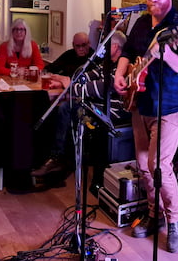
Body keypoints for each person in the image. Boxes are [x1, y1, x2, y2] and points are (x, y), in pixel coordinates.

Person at [113, 0, 178, 253]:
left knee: (160, 165)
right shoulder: (140, 23)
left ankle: (174, 222)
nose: (151, 1)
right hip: (140, 102)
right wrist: (121, 72)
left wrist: (165, 53)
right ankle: (155, 215)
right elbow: (127, 50)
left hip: (170, 105)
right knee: (142, 164)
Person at [31, 31, 128, 179]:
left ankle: (59, 158)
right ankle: (59, 158)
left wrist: (68, 84)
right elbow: (84, 77)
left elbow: (98, 88)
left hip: (111, 112)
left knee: (67, 107)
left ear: (115, 47)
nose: (102, 47)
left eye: (105, 44)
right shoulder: (105, 64)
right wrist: (66, 81)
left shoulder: (122, 67)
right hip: (97, 104)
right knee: (67, 106)